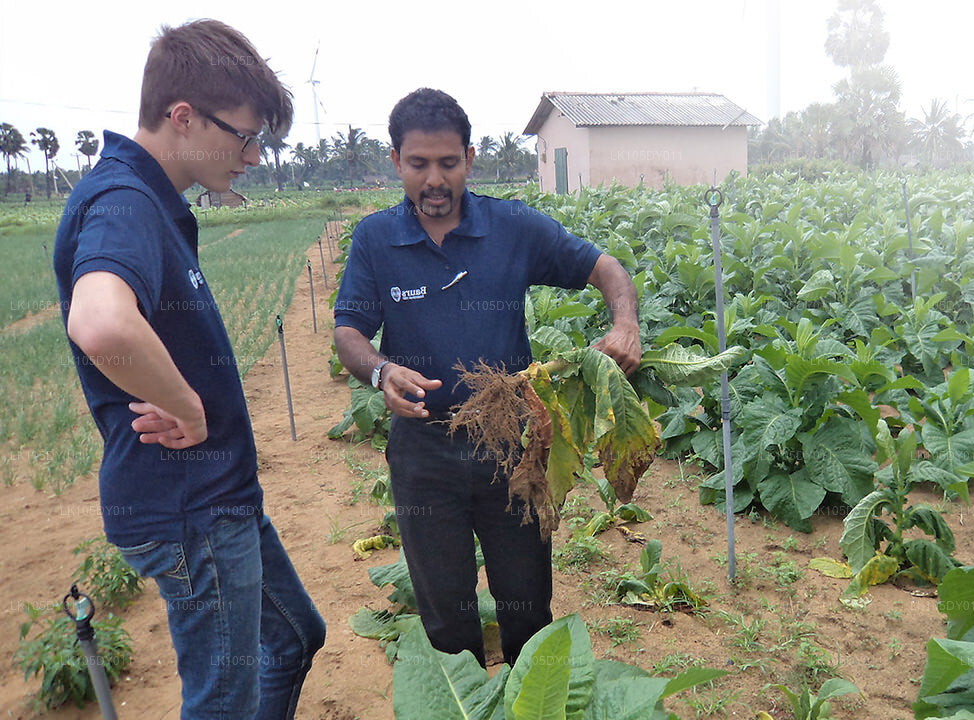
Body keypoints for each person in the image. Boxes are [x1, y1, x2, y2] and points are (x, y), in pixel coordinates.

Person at [52, 20, 325, 719]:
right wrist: (190, 405)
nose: (255, 156)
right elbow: (100, 321)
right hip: (190, 513)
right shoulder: (126, 201)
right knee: (222, 701)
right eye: (245, 136)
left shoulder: (149, 201)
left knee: (295, 637)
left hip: (218, 497)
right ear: (182, 117)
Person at [333, 88, 640, 666]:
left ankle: (532, 694)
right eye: (418, 163)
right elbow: (348, 331)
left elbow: (605, 268)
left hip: (512, 447)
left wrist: (625, 324)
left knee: (526, 603)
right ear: (396, 160)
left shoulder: (512, 227)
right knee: (445, 612)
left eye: (448, 163)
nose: (434, 179)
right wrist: (379, 371)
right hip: (423, 448)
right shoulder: (376, 239)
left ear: (469, 159)